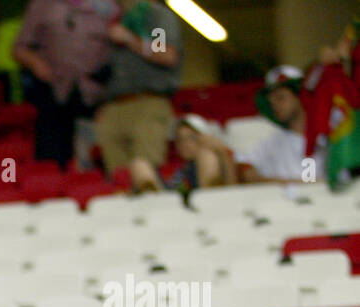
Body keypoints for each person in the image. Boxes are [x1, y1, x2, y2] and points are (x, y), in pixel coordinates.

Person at [12, 0, 119, 168]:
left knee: (97, 165)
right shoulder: (41, 5)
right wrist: (36, 63)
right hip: (53, 95)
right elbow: (19, 48)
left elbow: (125, 47)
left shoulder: (109, 6)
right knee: (51, 162)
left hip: (96, 97)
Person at [93, 0, 183, 179]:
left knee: (146, 171)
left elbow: (165, 54)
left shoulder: (157, 15)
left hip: (148, 102)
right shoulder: (116, 19)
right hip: (114, 105)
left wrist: (129, 39)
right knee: (118, 177)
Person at [237, 65, 323, 184]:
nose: (275, 105)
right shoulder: (273, 141)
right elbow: (243, 166)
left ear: (300, 96)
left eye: (280, 98)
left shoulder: (326, 136)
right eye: (271, 101)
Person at [128, 113, 236, 194]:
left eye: (191, 138)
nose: (184, 143)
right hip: (167, 205)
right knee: (139, 164)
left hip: (207, 202)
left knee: (206, 156)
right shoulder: (173, 167)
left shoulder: (215, 158)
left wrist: (221, 152)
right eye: (180, 139)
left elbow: (232, 188)